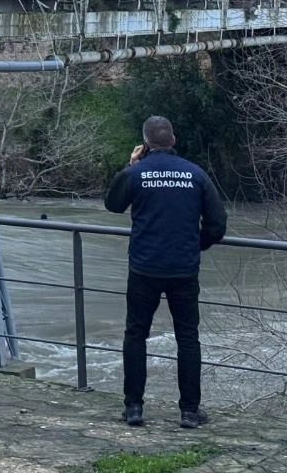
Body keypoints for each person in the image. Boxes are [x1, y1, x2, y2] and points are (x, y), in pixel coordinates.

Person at [104, 115, 228, 430]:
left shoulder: (137, 173)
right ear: (173, 140)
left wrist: (130, 165)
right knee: (187, 338)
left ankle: (134, 408)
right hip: (183, 269)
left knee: (136, 335)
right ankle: (189, 411)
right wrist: (195, 245)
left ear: (145, 145)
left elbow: (113, 204)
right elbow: (217, 224)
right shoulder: (196, 174)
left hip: (144, 267)